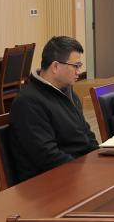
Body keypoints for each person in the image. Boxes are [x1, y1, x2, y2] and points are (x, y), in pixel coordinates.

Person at [7, 36, 99, 183]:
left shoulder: (69, 93)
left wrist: (99, 159)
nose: (79, 72)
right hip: (49, 182)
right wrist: (86, 172)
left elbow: (87, 134)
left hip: (76, 172)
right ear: (55, 66)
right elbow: (47, 156)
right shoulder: (28, 102)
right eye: (76, 66)